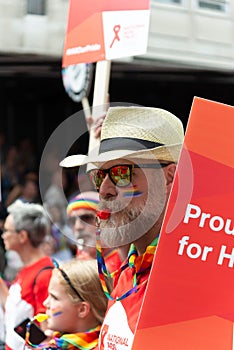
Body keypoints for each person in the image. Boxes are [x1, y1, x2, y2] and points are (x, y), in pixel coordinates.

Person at [60, 105, 184, 349]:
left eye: (121, 173)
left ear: (169, 178)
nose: (104, 190)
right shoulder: (127, 272)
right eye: (100, 175)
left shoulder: (191, 277)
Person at [0, 200, 54, 350]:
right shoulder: (26, 269)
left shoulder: (45, 275)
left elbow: (46, 337)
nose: (3, 235)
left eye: (7, 230)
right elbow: (15, 311)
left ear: (22, 236)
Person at [25, 258, 111, 349]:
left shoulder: (104, 346)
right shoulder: (57, 342)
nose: (45, 303)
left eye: (54, 297)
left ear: (82, 309)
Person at [67, 191, 125, 272]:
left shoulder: (124, 261)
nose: (78, 227)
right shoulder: (76, 263)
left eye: (86, 218)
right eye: (72, 221)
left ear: (105, 222)